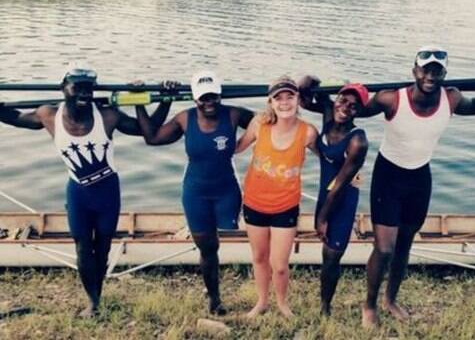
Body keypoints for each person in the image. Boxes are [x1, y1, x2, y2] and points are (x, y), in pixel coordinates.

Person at [0, 68, 172, 317]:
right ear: (63, 87)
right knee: (82, 248)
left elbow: (147, 130)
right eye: (78, 87)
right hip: (78, 192)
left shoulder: (108, 115)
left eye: (89, 87)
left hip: (108, 191)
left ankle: (97, 294)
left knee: (103, 247)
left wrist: (161, 99)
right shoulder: (49, 115)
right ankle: (93, 302)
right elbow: (12, 116)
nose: (85, 92)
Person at [359, 46, 475, 326]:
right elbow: (352, 110)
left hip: (419, 177)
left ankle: (390, 300)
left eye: (436, 71)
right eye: (425, 69)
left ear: (444, 74)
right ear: (415, 71)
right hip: (388, 177)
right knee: (385, 248)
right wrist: (310, 98)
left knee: (404, 244)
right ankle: (369, 306)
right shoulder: (390, 99)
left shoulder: (451, 99)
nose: (430, 75)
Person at [135, 70, 254, 315]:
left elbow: (269, 123)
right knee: (208, 248)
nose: (209, 103)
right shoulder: (184, 119)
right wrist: (147, 101)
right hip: (196, 193)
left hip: (227, 192)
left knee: (225, 240)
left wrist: (289, 94)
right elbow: (152, 138)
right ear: (194, 98)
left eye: (213, 97)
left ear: (220, 96)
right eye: (203, 98)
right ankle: (214, 298)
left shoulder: (233, 115)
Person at [235, 75, 318, 319]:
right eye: (278, 98)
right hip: (254, 203)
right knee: (260, 258)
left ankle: (282, 303)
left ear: (298, 100)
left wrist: (349, 172)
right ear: (270, 102)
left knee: (280, 265)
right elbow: (236, 147)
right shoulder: (259, 124)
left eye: (289, 97)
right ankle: (262, 302)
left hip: (286, 206)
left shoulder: (308, 132)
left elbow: (329, 156)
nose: (284, 103)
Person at [298, 77, 369, 316]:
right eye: (343, 100)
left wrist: (323, 218)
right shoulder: (329, 112)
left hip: (342, 198)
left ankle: (325, 307)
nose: (345, 107)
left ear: (358, 111)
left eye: (353, 105)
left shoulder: (358, 141)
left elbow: (339, 186)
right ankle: (324, 303)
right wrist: (310, 81)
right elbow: (304, 98)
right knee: (324, 251)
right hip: (324, 192)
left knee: (331, 256)